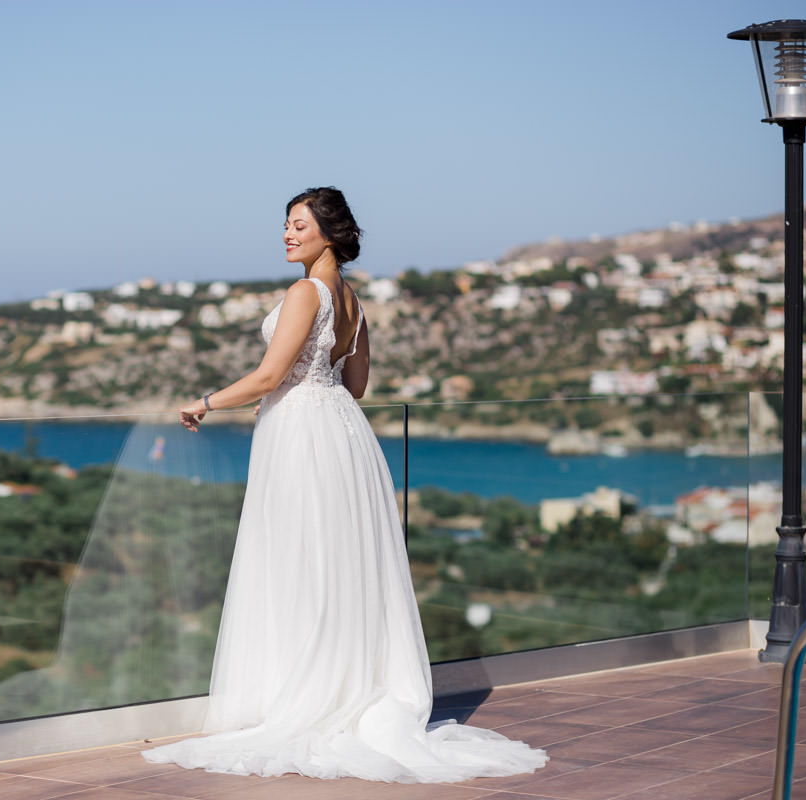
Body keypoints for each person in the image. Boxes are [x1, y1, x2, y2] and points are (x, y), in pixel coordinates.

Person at [142, 187, 548, 783]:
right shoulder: (352, 301)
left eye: (298, 225)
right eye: (285, 224)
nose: (286, 233)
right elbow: (355, 385)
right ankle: (344, 686)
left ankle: (300, 695)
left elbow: (270, 373)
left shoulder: (306, 292)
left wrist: (204, 403)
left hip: (301, 436)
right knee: (337, 563)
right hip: (343, 435)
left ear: (329, 232)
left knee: (297, 561)